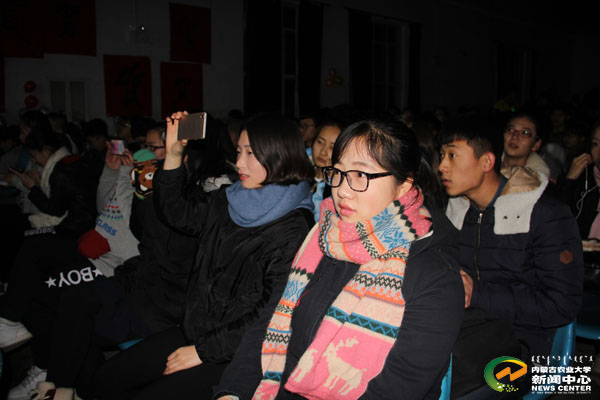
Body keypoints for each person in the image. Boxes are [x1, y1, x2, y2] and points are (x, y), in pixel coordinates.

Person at [215, 119, 464, 400]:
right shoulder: (321, 237)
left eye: (361, 175)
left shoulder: (435, 277)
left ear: (403, 185)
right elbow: (268, 323)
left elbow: (397, 387)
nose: (343, 190)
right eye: (339, 172)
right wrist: (231, 392)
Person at [92, 113, 315, 400]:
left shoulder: (294, 227)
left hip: (238, 353)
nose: (240, 162)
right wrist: (174, 156)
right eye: (238, 151)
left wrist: (202, 351)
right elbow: (177, 214)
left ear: (280, 155)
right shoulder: (230, 197)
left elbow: (271, 316)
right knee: (105, 379)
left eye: (251, 153)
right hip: (194, 329)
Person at [438, 118, 583, 396]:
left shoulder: (545, 213)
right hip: (466, 328)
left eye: (452, 155)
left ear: (486, 162)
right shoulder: (457, 210)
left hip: (527, 350)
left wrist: (477, 294)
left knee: (437, 372)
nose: (442, 166)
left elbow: (562, 305)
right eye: (442, 155)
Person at [308, 121, 343, 221]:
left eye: (332, 147)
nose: (323, 152)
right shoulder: (298, 168)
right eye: (320, 142)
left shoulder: (340, 189)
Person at [500, 111, 550, 178]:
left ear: (536, 144)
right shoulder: (489, 159)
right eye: (511, 130)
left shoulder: (537, 178)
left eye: (525, 133)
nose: (515, 136)